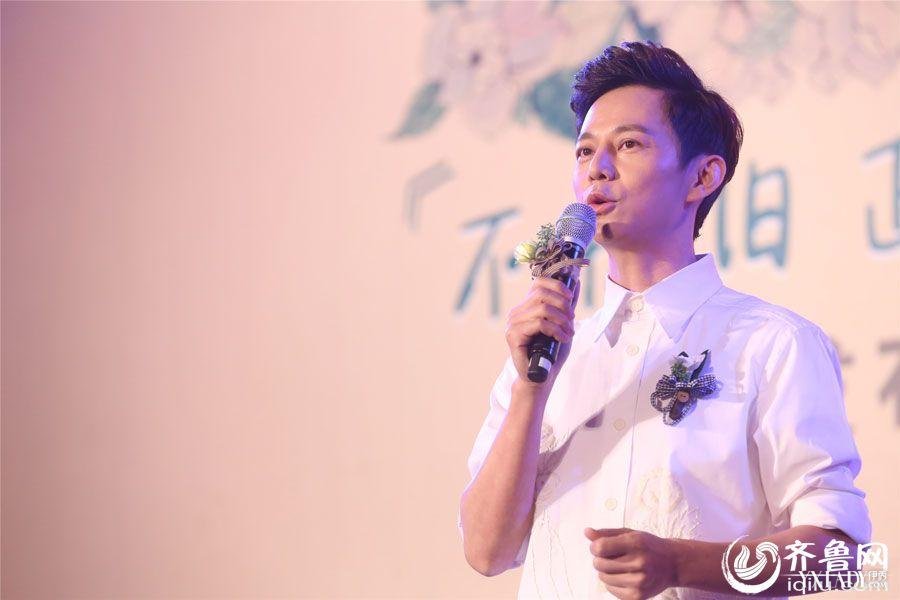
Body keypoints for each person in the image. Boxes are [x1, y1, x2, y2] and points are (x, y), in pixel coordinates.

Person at [457, 41, 871, 600]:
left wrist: (680, 564)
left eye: (628, 144)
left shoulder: (773, 344)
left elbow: (841, 556)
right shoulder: (544, 352)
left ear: (702, 178)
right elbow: (486, 552)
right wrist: (531, 391)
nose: (598, 169)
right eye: (584, 152)